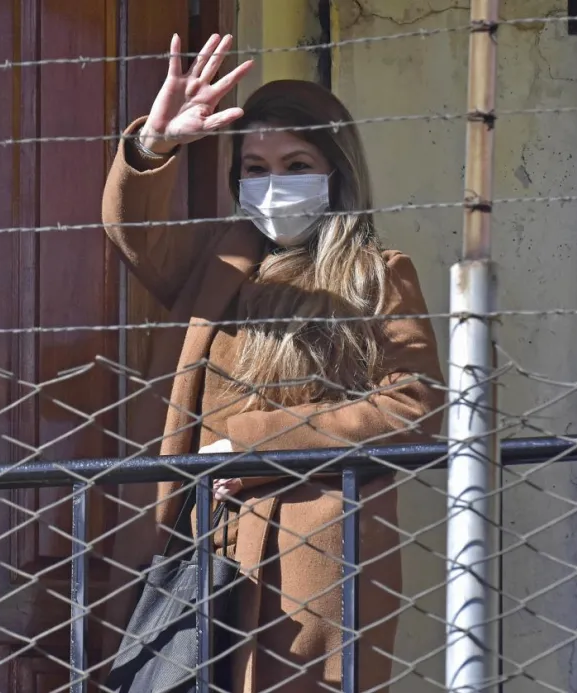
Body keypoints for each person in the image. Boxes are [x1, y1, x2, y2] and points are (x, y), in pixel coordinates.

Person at [100, 32, 445, 693]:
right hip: (199, 546)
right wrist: (156, 144)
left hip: (308, 555)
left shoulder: (376, 275)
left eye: (295, 164)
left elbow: (413, 405)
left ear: (335, 170)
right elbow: (132, 232)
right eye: (254, 168)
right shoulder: (218, 259)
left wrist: (252, 443)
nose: (273, 183)